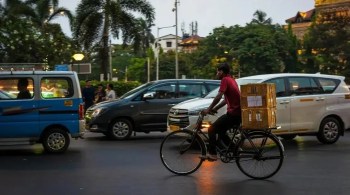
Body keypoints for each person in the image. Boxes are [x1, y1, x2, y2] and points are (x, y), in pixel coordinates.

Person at [202, 63, 241, 161]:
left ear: (222, 72)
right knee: (221, 132)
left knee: (211, 129)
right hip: (237, 113)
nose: (217, 73)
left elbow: (219, 96)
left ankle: (212, 154)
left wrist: (209, 109)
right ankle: (235, 149)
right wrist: (216, 108)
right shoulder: (232, 80)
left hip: (234, 114)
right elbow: (225, 100)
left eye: (218, 71)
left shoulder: (225, 80)